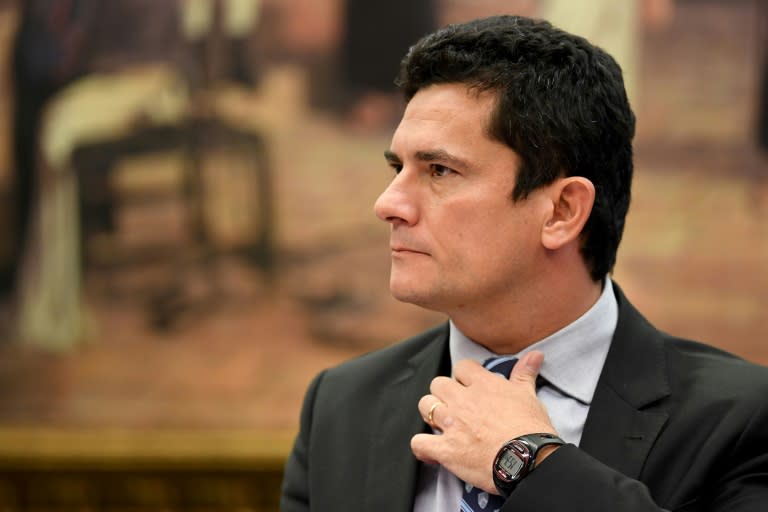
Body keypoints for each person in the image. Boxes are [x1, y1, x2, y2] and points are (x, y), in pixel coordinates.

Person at [280, 15, 768, 511]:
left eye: (440, 170)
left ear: (561, 211)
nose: (388, 203)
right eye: (397, 167)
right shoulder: (342, 406)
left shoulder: (740, 418)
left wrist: (530, 463)